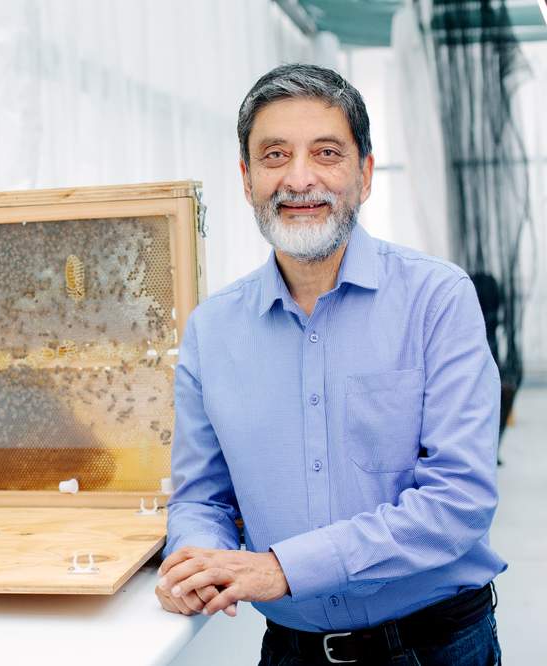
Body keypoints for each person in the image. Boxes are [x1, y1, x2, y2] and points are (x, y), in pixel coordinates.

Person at [155, 64, 505, 665]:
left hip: (434, 648)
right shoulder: (211, 331)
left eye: (326, 153)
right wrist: (196, 560)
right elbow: (202, 498)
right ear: (246, 179)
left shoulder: (438, 299)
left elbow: (459, 499)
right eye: (274, 155)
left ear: (364, 174)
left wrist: (280, 569)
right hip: (291, 653)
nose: (299, 179)